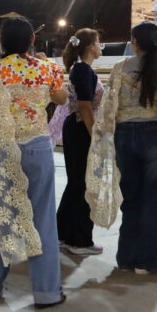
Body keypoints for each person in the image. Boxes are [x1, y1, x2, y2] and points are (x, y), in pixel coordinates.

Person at [0, 18, 68, 308]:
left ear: (2, 42)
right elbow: (61, 98)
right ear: (31, 40)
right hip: (37, 146)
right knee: (43, 219)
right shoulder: (46, 68)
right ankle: (47, 292)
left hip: (3, 147)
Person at [111, 22, 157, 275]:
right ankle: (148, 262)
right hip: (153, 136)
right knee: (156, 200)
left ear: (133, 42)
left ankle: (126, 259)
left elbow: (110, 107)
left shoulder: (119, 68)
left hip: (122, 136)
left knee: (130, 198)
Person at [55, 28, 105, 256]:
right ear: (90, 46)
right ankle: (79, 240)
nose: (100, 46)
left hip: (76, 128)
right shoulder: (83, 70)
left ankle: (63, 233)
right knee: (85, 184)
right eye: (98, 42)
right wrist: (95, 136)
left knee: (77, 183)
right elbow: (85, 106)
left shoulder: (81, 69)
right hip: (81, 129)